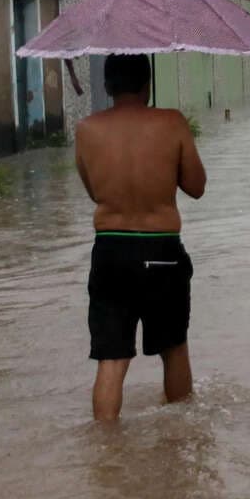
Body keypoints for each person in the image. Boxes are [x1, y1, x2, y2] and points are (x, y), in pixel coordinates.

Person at [74, 54, 207, 421]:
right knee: (174, 348)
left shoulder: (86, 130)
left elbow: (94, 192)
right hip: (161, 251)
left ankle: (106, 454)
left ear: (107, 86)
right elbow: (197, 187)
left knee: (111, 360)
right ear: (148, 83)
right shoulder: (172, 123)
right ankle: (181, 435)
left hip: (110, 251)